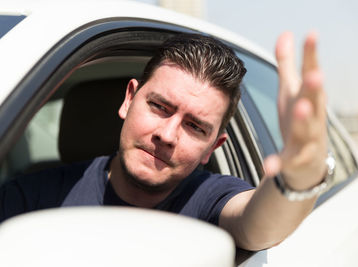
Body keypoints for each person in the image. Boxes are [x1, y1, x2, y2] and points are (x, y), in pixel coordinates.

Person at [0, 31, 329, 251]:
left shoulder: (209, 198)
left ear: (212, 149)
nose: (167, 135)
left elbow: (258, 226)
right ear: (129, 99)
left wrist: (299, 178)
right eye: (159, 107)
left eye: (195, 127)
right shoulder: (34, 198)